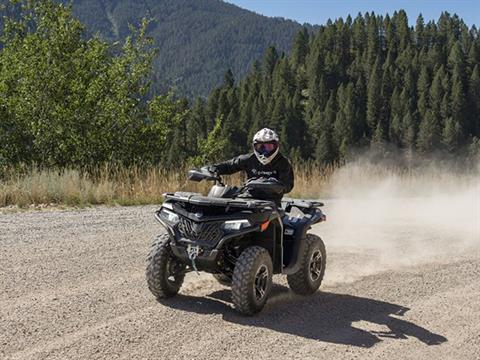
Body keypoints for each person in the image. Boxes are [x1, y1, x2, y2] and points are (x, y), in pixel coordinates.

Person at [209, 128, 294, 205]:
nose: (264, 151)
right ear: (254, 146)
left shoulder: (283, 162)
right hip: (247, 199)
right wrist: (211, 169)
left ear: (276, 146)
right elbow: (228, 166)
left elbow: (288, 186)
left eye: (268, 147)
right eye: (261, 147)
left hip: (271, 203)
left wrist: (273, 185)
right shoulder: (249, 159)